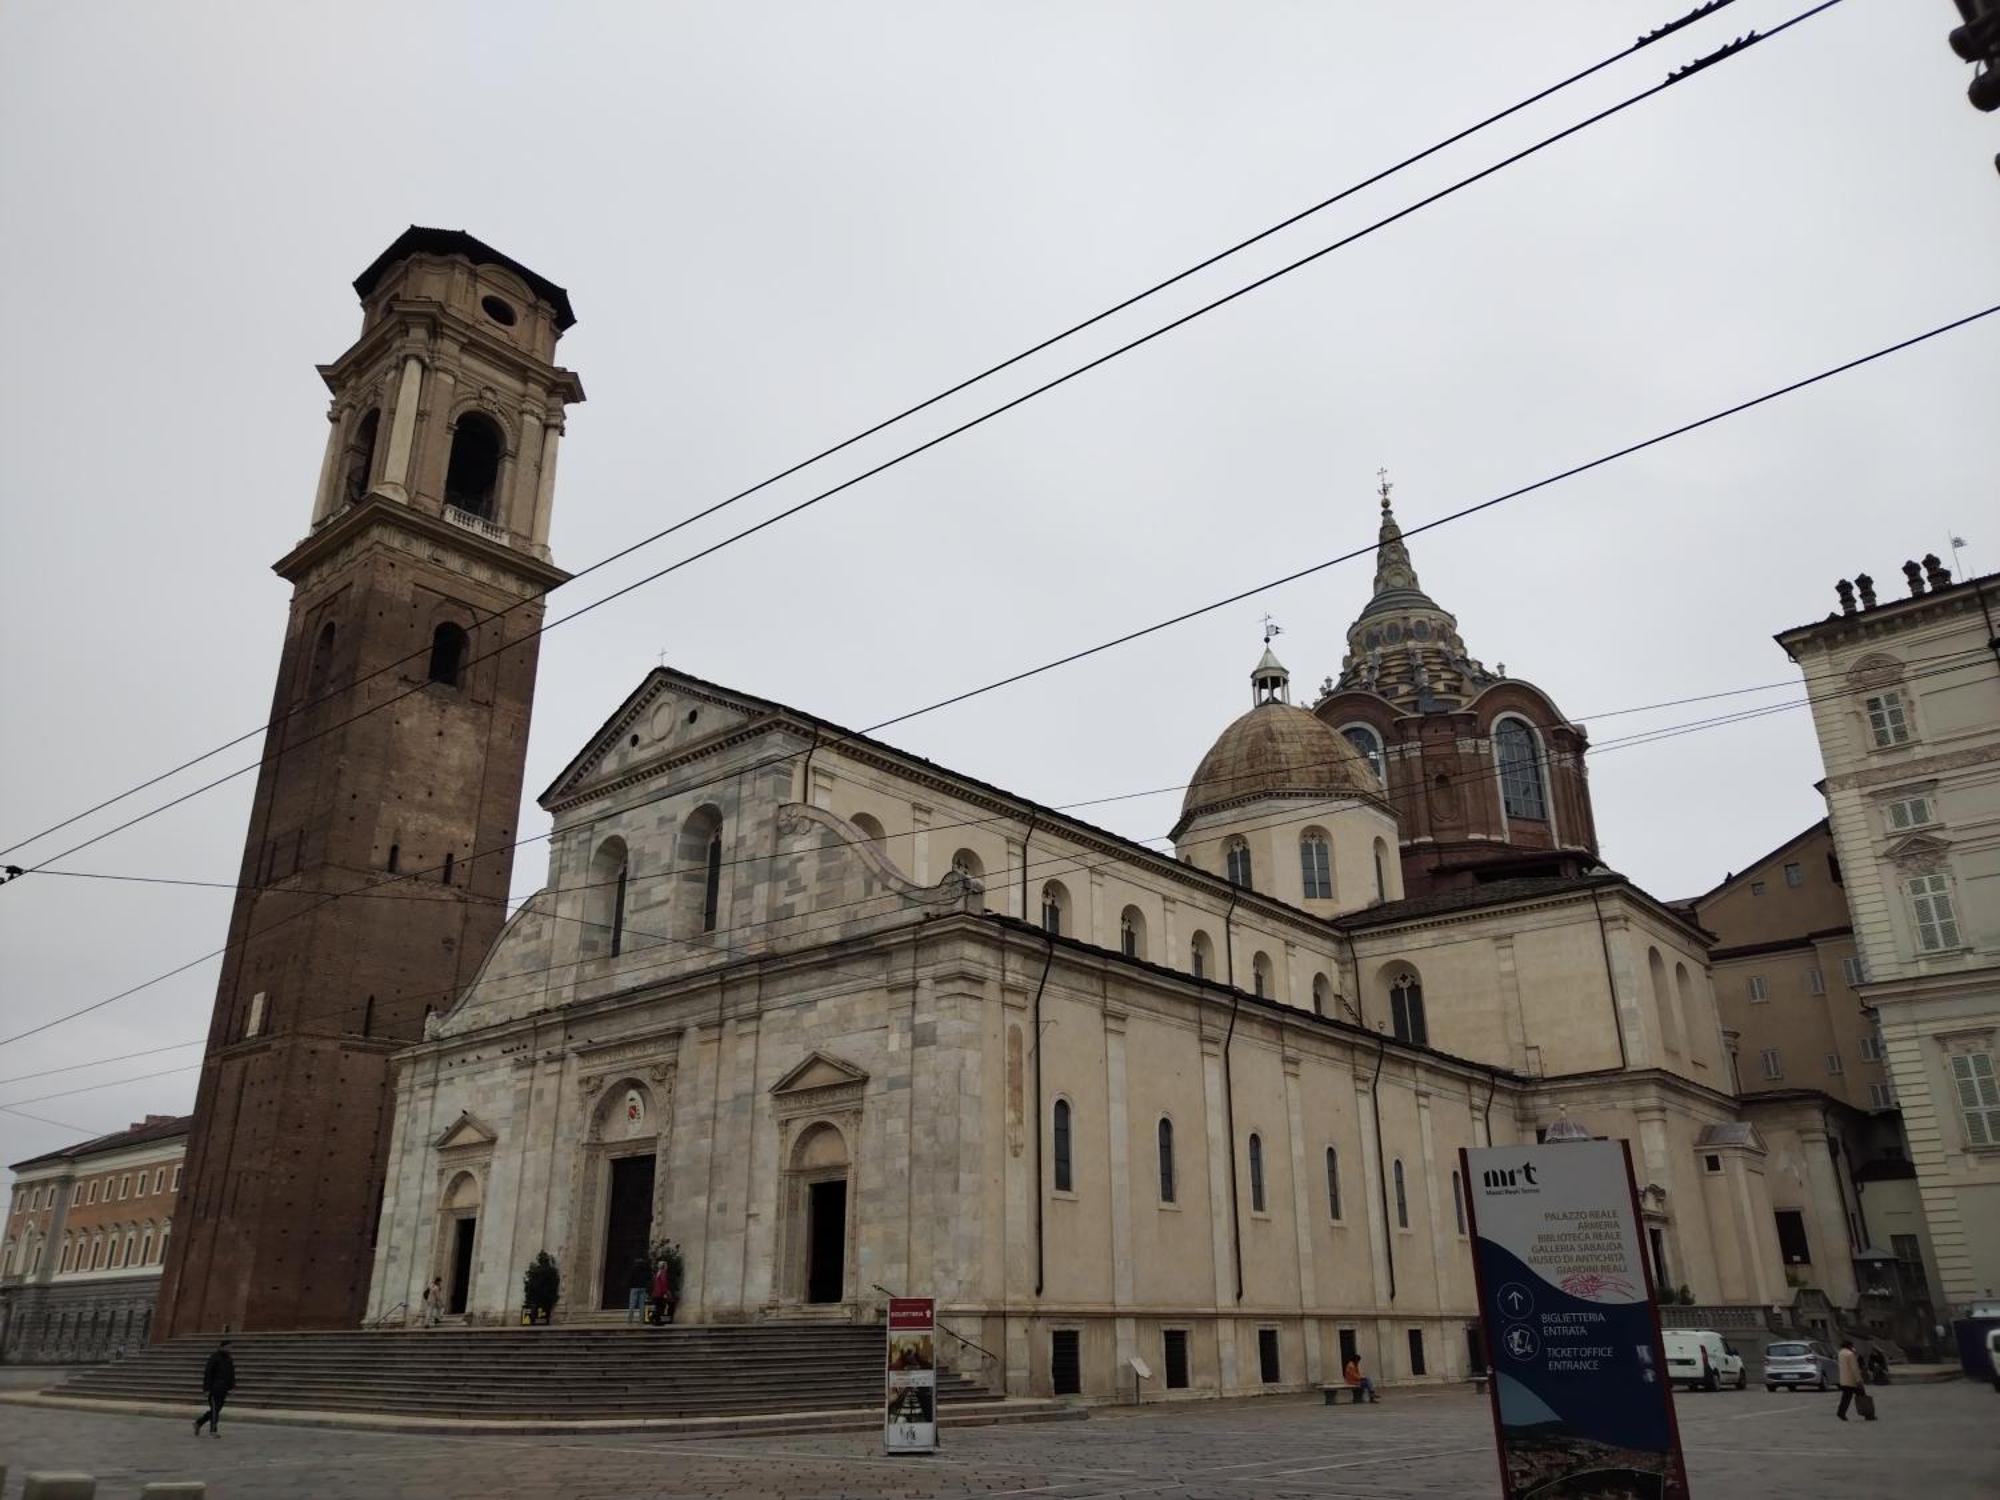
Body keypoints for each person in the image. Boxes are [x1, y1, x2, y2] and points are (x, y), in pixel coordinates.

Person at [192, 1338, 234, 1438]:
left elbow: (231, 1374)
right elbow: (208, 1373)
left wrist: (231, 1386)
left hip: (223, 1389)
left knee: (216, 1410)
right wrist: (206, 1389)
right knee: (215, 1410)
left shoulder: (228, 1359)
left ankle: (198, 1423)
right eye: (228, 1347)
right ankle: (213, 1431)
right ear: (222, 1347)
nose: (229, 1349)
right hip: (214, 1389)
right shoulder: (214, 1357)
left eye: (230, 1347)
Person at [1835, 1339, 1873, 1421]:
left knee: (1846, 1398)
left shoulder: (1841, 1353)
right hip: (1852, 1380)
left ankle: (1841, 1412)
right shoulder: (1850, 1354)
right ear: (1850, 1346)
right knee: (1862, 1396)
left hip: (1844, 1380)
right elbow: (1854, 1368)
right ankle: (1868, 1414)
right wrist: (1859, 1379)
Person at [626, 1254, 652, 1324]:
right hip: (643, 1287)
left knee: (632, 1304)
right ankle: (640, 1321)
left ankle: (630, 1320)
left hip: (634, 1288)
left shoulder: (633, 1269)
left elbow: (630, 1278)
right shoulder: (645, 1269)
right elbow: (649, 1277)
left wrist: (630, 1286)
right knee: (642, 1305)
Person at [649, 1259, 671, 1328]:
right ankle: (656, 1320)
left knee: (658, 1307)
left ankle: (655, 1319)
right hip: (660, 1293)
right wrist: (665, 1293)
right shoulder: (663, 1273)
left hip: (655, 1293)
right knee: (661, 1307)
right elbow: (664, 1283)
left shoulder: (657, 1273)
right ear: (664, 1266)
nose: (667, 1267)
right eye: (666, 1266)